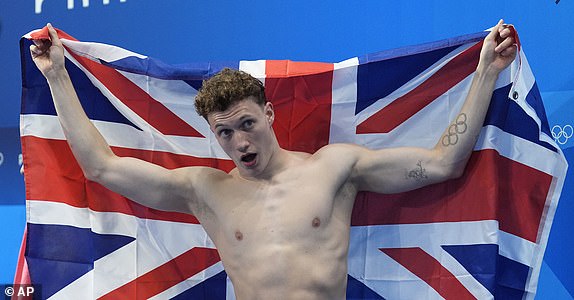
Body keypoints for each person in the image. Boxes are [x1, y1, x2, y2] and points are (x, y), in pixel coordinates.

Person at [30, 20, 517, 300]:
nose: (239, 140)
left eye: (246, 124)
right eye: (224, 132)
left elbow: (441, 163)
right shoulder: (206, 191)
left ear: (268, 114)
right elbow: (103, 168)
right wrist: (56, 77)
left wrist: (484, 73)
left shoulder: (334, 168)